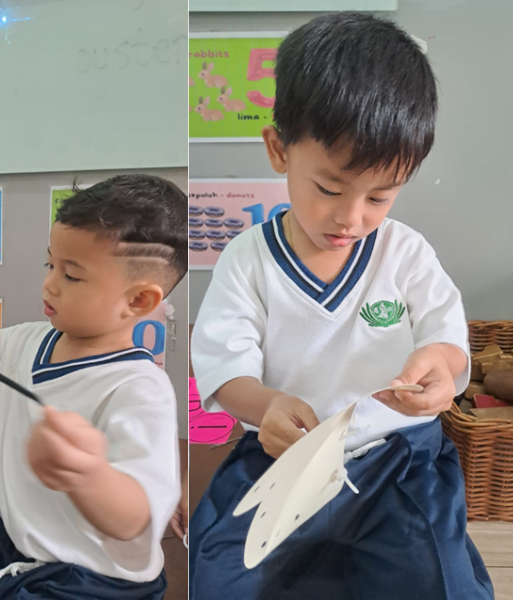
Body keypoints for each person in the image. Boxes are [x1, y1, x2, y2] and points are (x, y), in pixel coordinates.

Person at [190, 13, 493, 600]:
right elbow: (226, 372)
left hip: (397, 460)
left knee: (440, 581)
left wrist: (439, 368)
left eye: (379, 196)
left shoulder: (405, 252)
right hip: (283, 455)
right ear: (278, 149)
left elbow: (448, 342)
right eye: (329, 188)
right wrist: (267, 404)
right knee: (221, 572)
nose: (351, 218)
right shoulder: (247, 259)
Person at [0, 175, 186, 599]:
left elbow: (135, 518)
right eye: (50, 265)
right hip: (5, 529)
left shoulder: (140, 390)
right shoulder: (26, 341)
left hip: (89, 575)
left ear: (138, 300)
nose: (49, 283)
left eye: (72, 276)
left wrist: (88, 474)